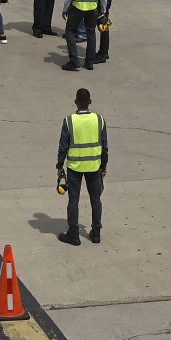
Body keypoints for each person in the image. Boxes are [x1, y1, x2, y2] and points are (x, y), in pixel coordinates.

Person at [56, 87, 107, 245]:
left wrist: (59, 166)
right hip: (94, 166)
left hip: (75, 167)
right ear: (90, 102)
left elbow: (63, 146)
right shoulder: (99, 120)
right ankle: (96, 232)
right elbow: (104, 146)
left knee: (73, 200)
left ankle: (73, 234)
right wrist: (103, 166)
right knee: (96, 199)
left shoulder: (69, 121)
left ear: (76, 102)